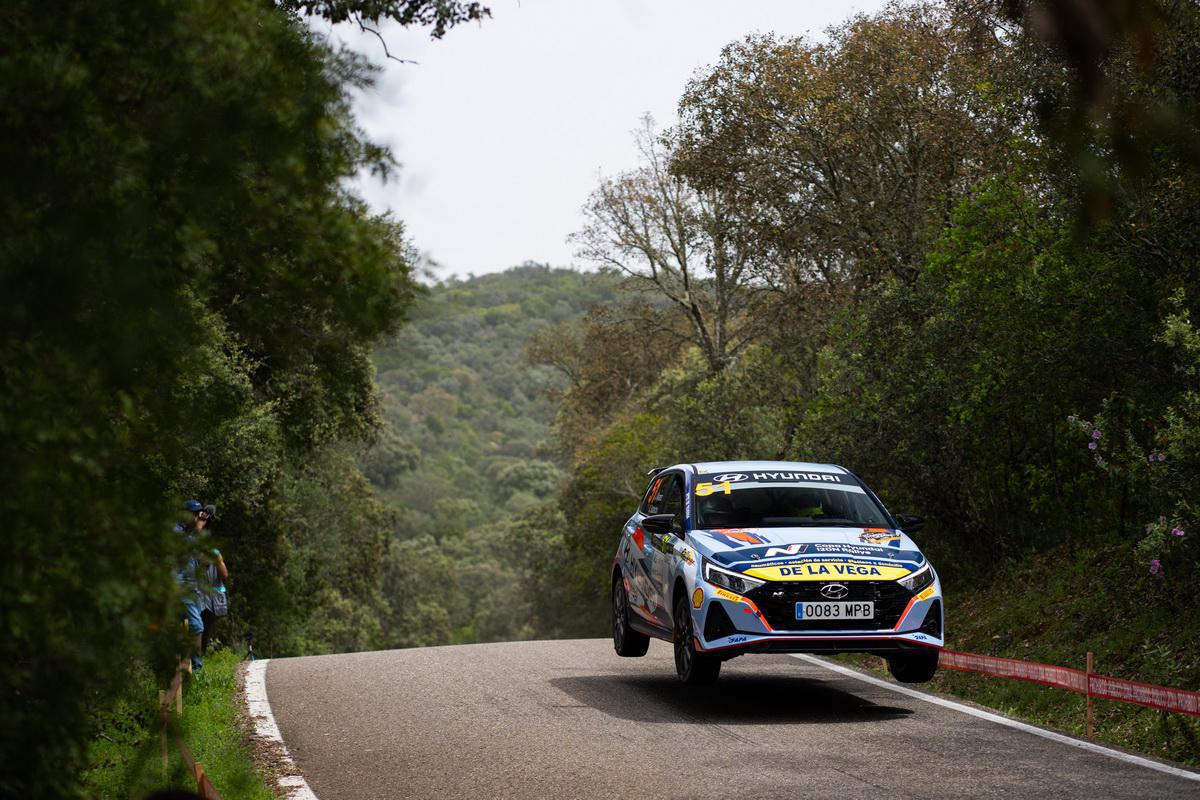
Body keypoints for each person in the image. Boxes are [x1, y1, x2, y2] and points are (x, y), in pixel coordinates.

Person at [175, 500, 210, 673]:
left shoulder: (189, 533)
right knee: (196, 626)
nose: (198, 518)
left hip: (192, 587)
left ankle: (194, 668)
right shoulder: (176, 532)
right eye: (196, 515)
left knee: (195, 626)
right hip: (181, 587)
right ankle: (193, 669)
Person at [199, 505, 228, 651]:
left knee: (205, 628)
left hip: (211, 598)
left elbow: (225, 575)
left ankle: (201, 657)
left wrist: (216, 559)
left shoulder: (214, 552)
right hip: (196, 594)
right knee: (196, 627)